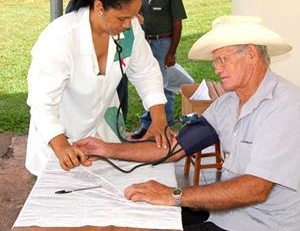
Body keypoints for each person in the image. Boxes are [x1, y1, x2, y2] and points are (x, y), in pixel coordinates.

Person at [76, 15, 300, 231]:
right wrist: (106, 149)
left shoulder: (285, 106)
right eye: (215, 61)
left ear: (251, 53)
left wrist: (173, 195)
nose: (217, 69)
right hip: (227, 214)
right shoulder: (227, 104)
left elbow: (255, 189)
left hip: (261, 225)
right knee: (138, 215)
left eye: (223, 59)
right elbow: (174, 149)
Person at [26, 0, 171, 177]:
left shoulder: (129, 30)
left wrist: (159, 118)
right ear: (99, 7)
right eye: (121, 18)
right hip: (57, 134)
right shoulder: (60, 37)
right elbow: (42, 102)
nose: (127, 24)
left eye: (132, 16)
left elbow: (146, 72)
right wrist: (61, 145)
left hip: (100, 130)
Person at [66, 0, 130, 122]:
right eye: (122, 18)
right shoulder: (74, 18)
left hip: (115, 66)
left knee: (115, 107)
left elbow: (145, 69)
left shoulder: (124, 3)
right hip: (87, 79)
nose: (127, 24)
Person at [132, 0, 187, 139]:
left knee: (163, 86)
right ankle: (148, 124)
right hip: (144, 42)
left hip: (163, 42)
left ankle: (166, 125)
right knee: (147, 83)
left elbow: (177, 24)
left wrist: (172, 52)